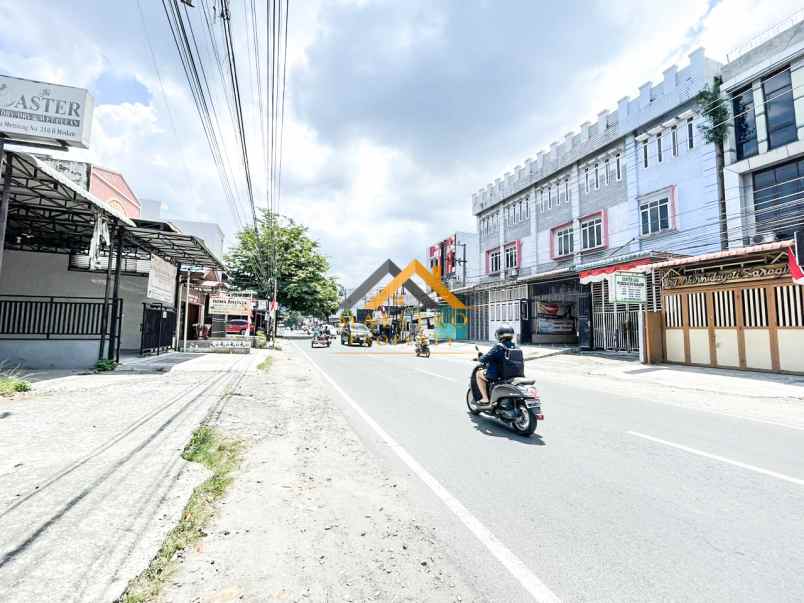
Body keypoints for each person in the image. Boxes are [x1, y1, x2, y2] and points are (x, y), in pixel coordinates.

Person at [476, 325, 516, 405]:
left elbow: (485, 358)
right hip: (513, 374)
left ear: (499, 335)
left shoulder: (499, 347)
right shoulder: (515, 346)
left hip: (498, 375)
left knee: (479, 374)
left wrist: (480, 357)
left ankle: (485, 398)